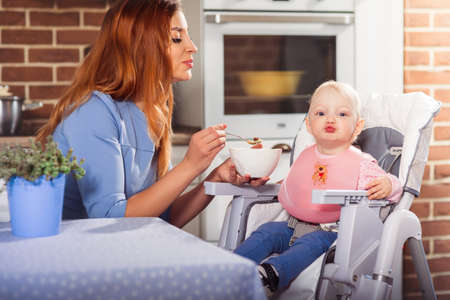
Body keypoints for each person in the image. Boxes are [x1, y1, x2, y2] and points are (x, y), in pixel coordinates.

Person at [36, 0, 268, 226]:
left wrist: (213, 177)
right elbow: (110, 219)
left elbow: (160, 218)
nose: (192, 46)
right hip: (76, 254)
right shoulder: (92, 113)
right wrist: (190, 165)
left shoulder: (152, 111)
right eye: (177, 37)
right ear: (140, 46)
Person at [234, 80, 402, 295]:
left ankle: (273, 273)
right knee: (266, 232)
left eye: (342, 114)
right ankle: (232, 266)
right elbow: (299, 185)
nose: (331, 119)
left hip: (331, 233)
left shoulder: (361, 164)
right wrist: (283, 186)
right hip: (292, 226)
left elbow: (393, 188)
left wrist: (389, 184)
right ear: (308, 123)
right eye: (321, 113)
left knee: (311, 244)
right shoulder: (306, 157)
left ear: (357, 126)